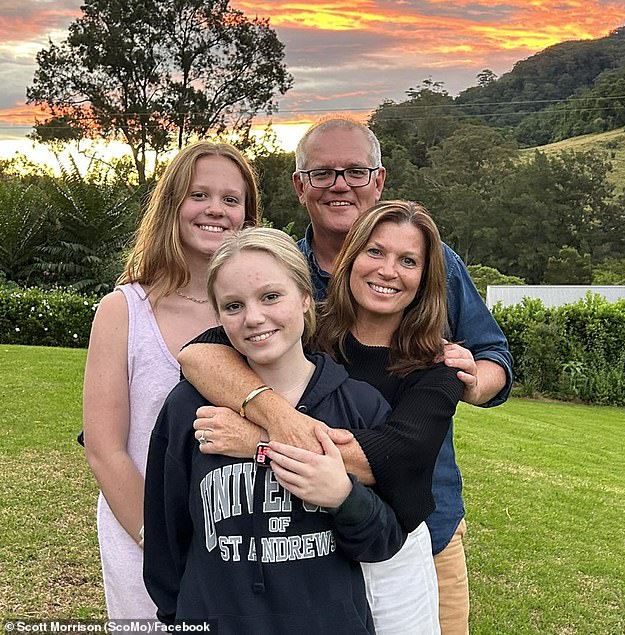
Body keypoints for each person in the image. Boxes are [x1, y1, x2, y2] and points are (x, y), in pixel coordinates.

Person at [179, 118, 513, 635]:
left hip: (417, 525)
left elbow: (408, 449)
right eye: (324, 172)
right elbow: (201, 354)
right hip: (305, 539)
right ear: (300, 185)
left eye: (356, 171)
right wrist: (275, 414)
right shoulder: (287, 278)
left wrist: (260, 440)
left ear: (378, 180)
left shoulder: (437, 341)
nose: (341, 184)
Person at [143, 227, 406, 631]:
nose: (254, 318)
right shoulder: (188, 408)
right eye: (233, 306)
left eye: (271, 296)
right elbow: (167, 537)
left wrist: (343, 496)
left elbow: (382, 541)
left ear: (304, 297)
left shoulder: (359, 405)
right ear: (218, 316)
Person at [82, 141, 259, 618]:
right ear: (171, 205)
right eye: (198, 194)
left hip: (246, 544)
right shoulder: (124, 311)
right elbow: (105, 449)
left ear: (247, 214)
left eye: (230, 199)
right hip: (146, 540)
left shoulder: (263, 316)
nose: (215, 211)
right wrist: (160, 544)